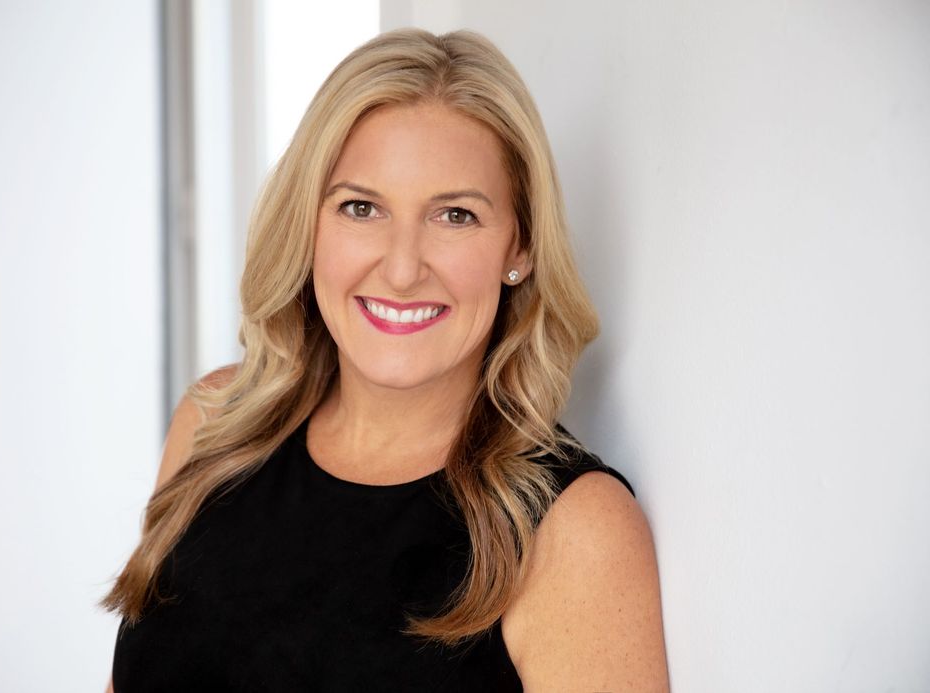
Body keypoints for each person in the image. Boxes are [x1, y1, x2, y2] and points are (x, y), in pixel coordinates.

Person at [103, 27, 669, 692]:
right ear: (308, 226)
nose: (401, 269)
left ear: (520, 247)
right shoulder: (214, 426)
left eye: (455, 215)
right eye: (361, 207)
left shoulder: (575, 531)